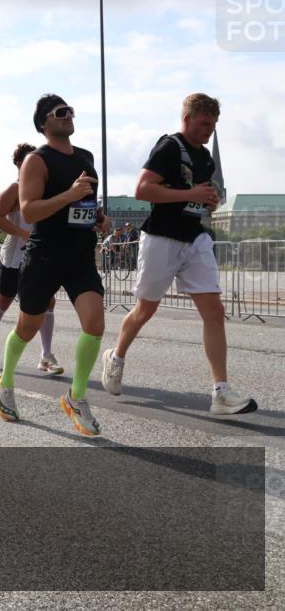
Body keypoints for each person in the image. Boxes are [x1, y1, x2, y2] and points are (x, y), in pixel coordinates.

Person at [101, 93, 256, 415]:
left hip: (194, 238)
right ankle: (115, 356)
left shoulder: (206, 159)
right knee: (145, 310)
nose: (208, 131)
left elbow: (198, 197)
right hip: (161, 238)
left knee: (214, 311)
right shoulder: (170, 147)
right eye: (204, 124)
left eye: (213, 126)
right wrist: (191, 193)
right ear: (187, 119)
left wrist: (208, 201)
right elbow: (143, 189)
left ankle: (221, 392)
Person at [0, 94, 109, 437]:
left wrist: (98, 218)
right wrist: (69, 196)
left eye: (70, 110)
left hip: (79, 254)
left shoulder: (85, 157)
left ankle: (77, 397)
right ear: (44, 123)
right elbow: (29, 211)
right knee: (28, 327)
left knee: (95, 322)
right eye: (60, 112)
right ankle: (5, 380)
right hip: (44, 256)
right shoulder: (36, 161)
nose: (68, 115)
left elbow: (85, 204)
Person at [0, 144, 63, 374]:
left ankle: (46, 356)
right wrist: (25, 234)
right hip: (14, 256)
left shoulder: (44, 188)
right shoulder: (14, 189)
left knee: (48, 302)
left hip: (38, 255)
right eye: (29, 162)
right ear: (18, 165)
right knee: (4, 301)